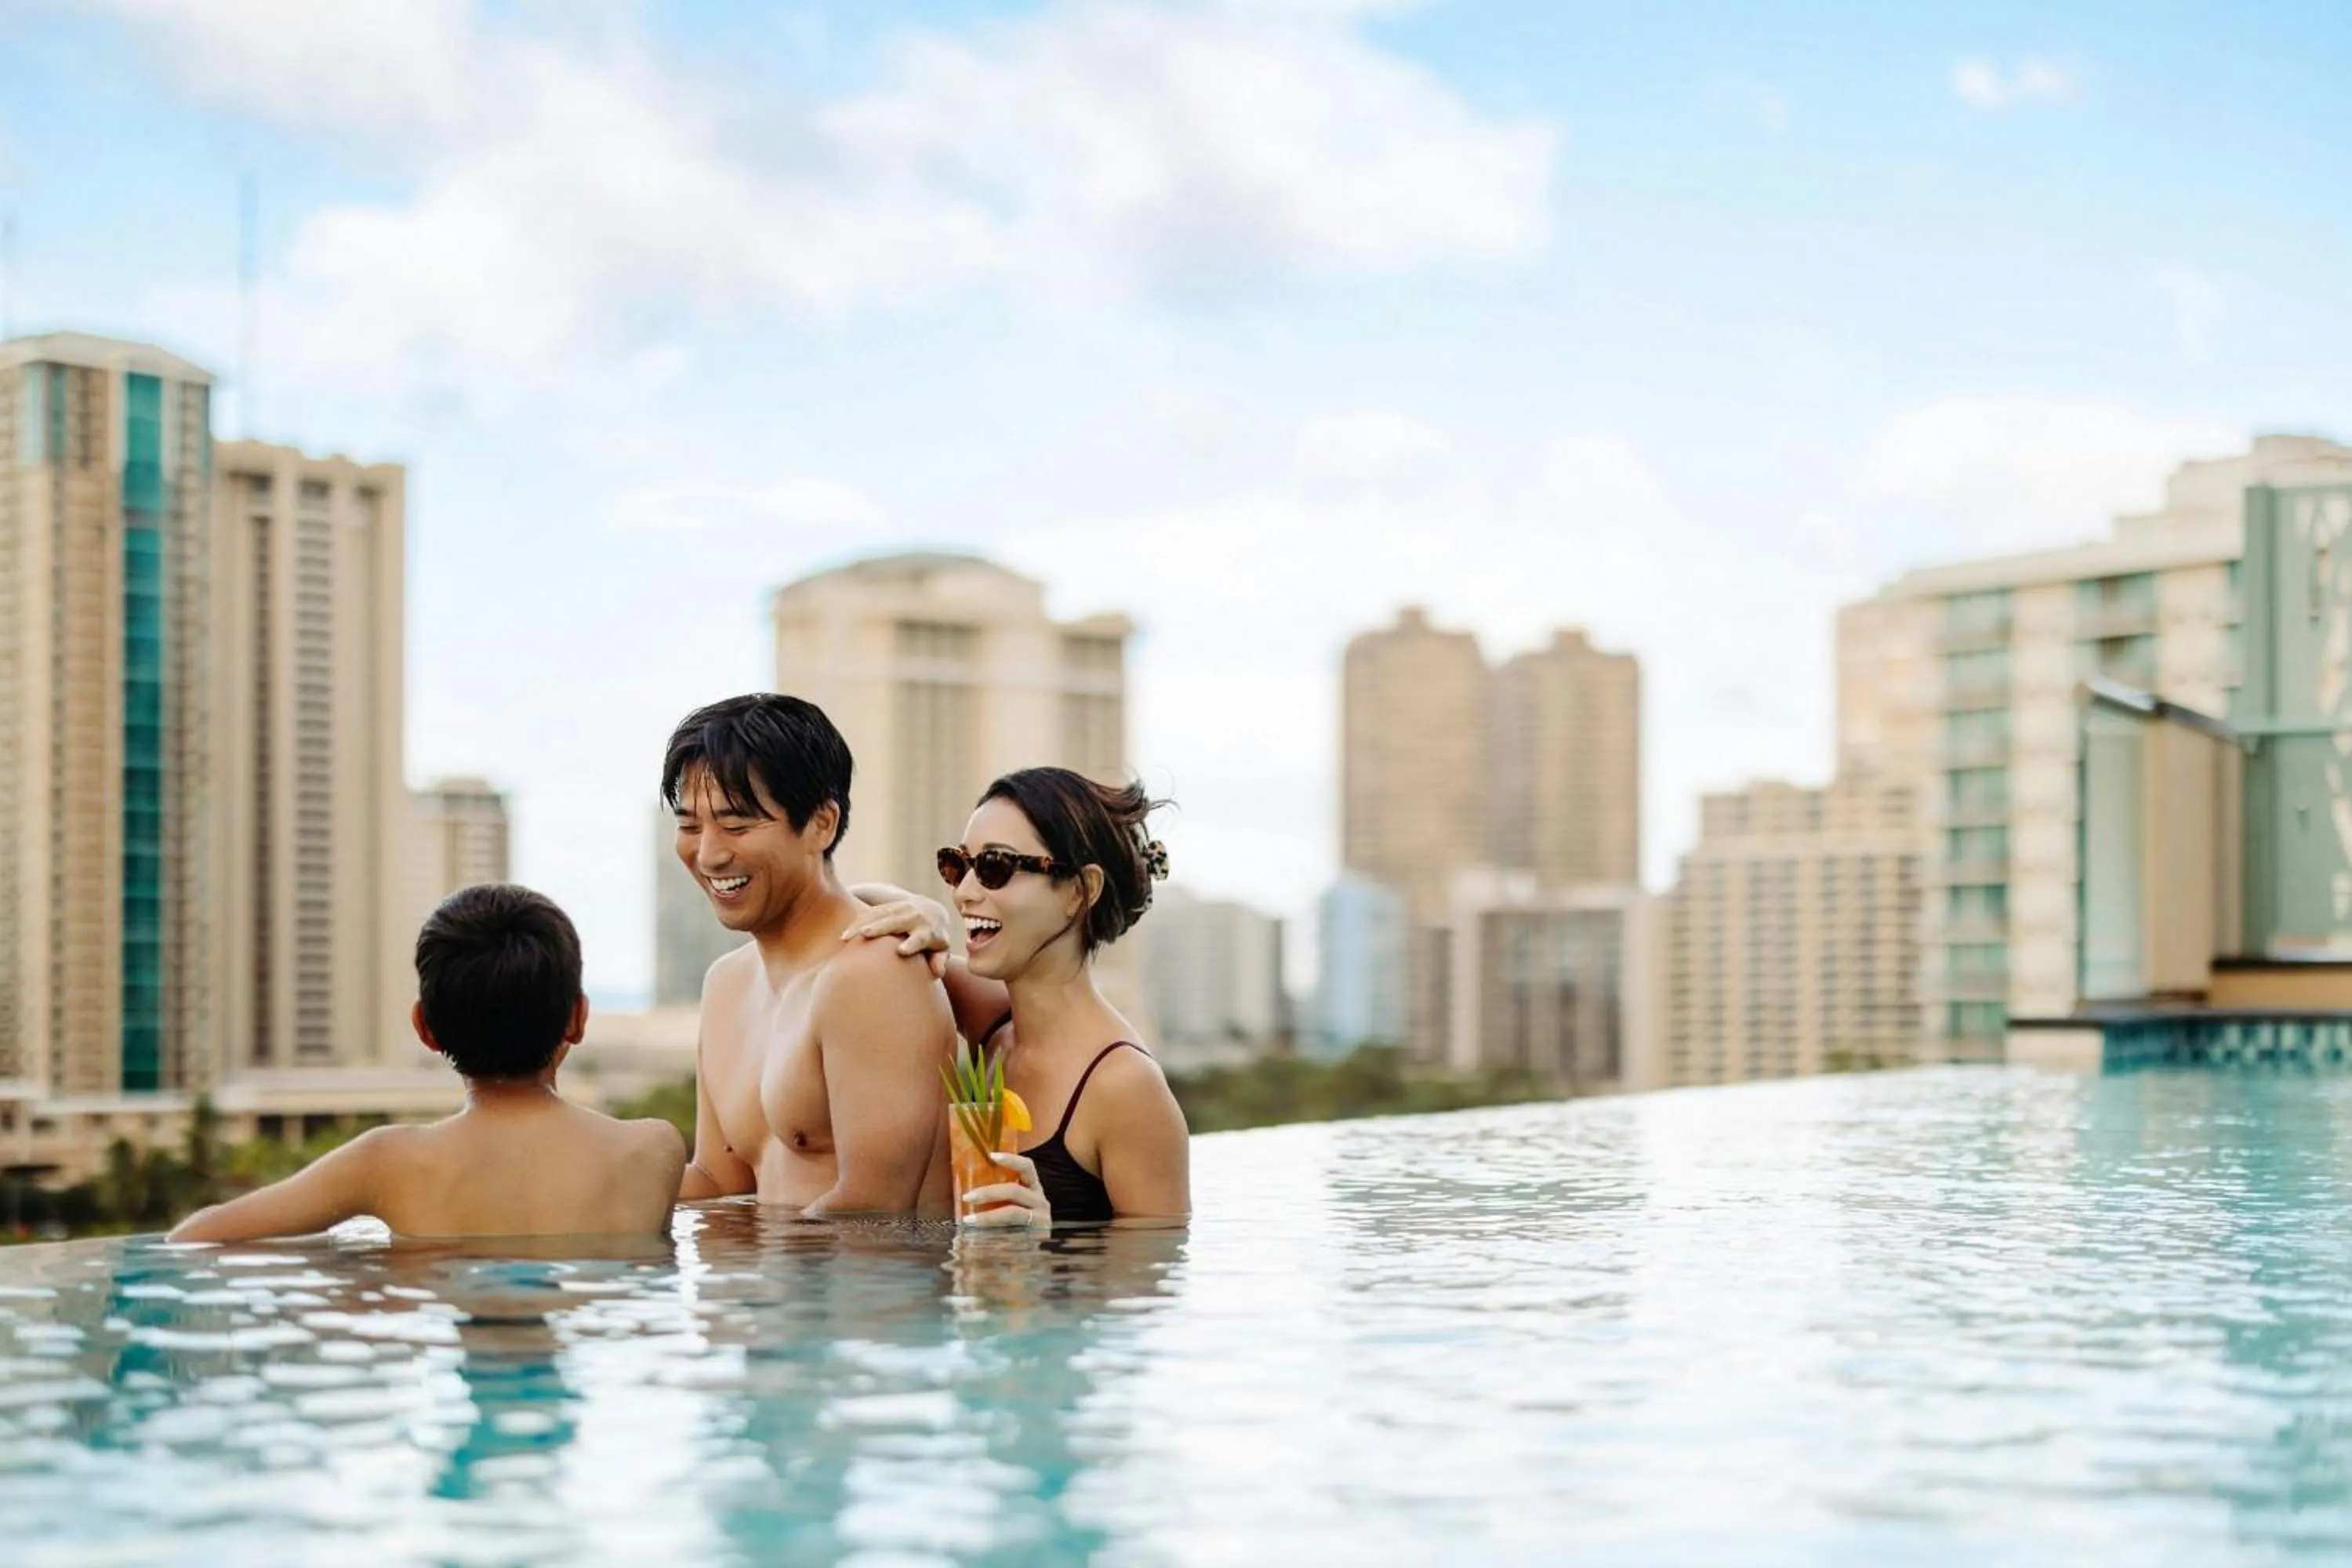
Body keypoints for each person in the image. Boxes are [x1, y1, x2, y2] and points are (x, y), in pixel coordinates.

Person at [666, 693, 1045, 1224]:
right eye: (689, 826)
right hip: (764, 1299)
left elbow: (874, 1214)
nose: (708, 854)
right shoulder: (725, 983)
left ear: (821, 823)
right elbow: (719, 1180)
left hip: (860, 1302)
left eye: (736, 825)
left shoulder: (874, 974)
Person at [168, 885, 685, 1243]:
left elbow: (196, 1237)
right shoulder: (651, 1150)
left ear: (425, 1029)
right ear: (578, 1018)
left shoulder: (390, 1163)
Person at [851, 768, 1190, 1222]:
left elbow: (1153, 1277)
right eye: (958, 865)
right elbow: (842, 911)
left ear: (1080, 890)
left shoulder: (1124, 1088)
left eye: (995, 867)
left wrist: (1044, 1241)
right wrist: (923, 909)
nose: (964, 893)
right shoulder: (992, 1014)